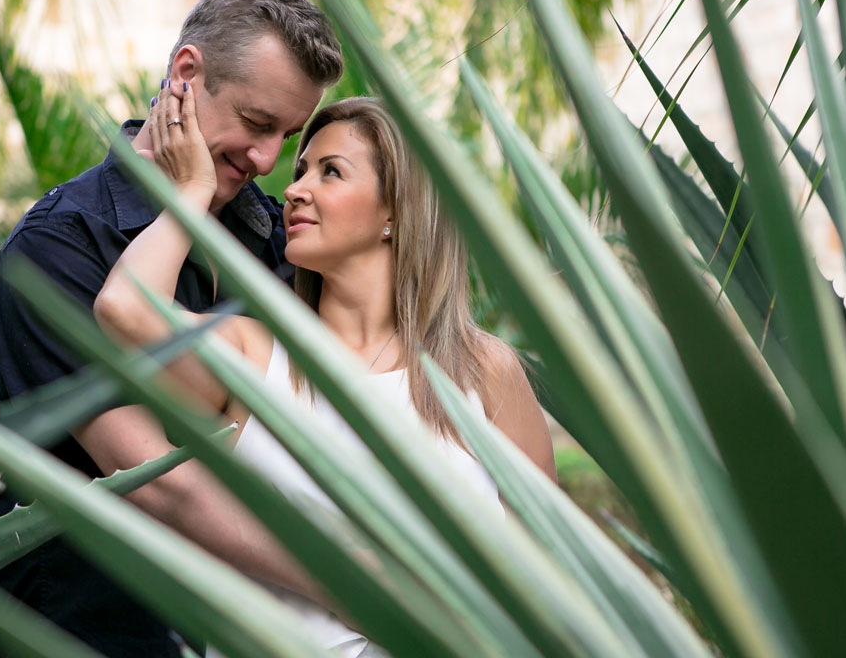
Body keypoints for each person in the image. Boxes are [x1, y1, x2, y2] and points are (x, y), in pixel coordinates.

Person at [94, 94, 558, 655]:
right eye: (301, 170)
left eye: (330, 172)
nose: (293, 189)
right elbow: (125, 310)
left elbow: (549, 572)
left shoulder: (482, 371)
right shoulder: (254, 354)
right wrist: (192, 191)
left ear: (396, 211)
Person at [0, 0, 344, 657]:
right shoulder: (54, 251)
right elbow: (163, 490)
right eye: (256, 123)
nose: (268, 160)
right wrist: (355, 583)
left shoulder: (279, 239)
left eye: (288, 136)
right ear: (186, 73)